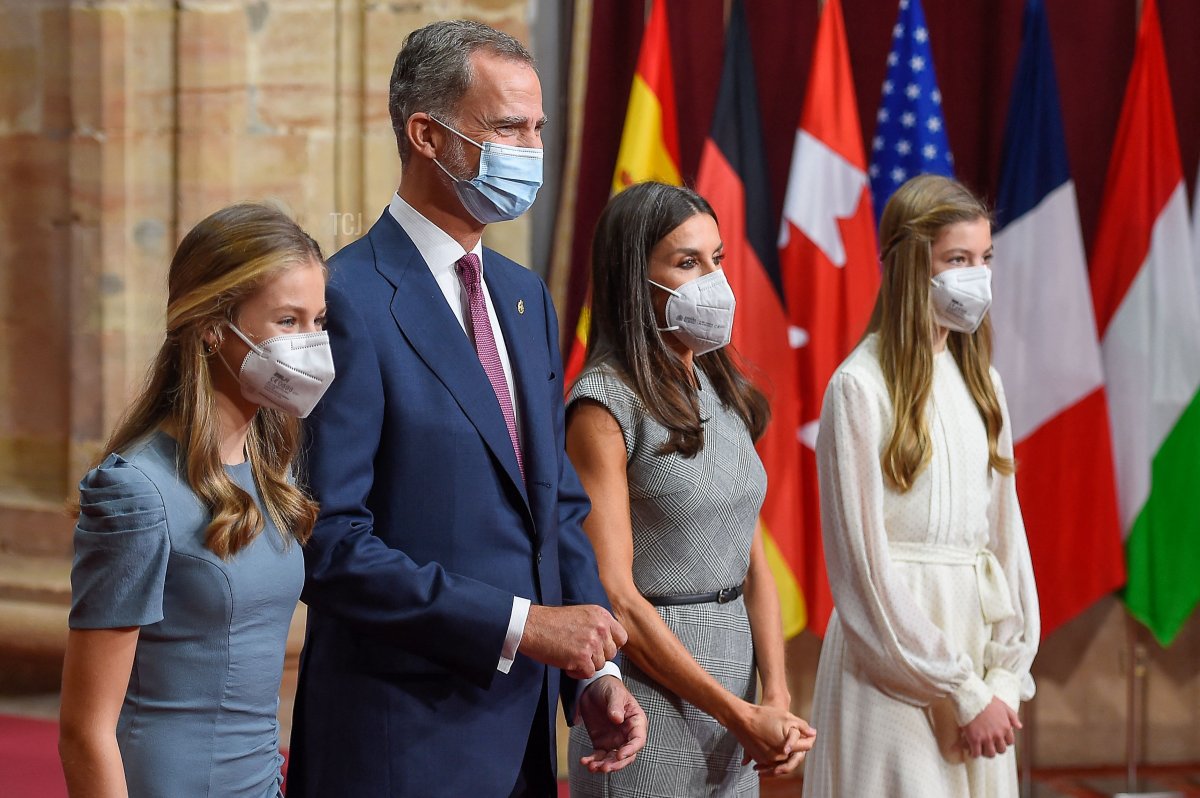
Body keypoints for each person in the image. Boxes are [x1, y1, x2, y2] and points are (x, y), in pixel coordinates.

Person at [286, 19, 646, 798]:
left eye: (539, 128)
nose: (531, 150)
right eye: (508, 127)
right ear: (427, 134)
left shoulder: (524, 298)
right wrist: (524, 626)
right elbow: (333, 544)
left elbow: (556, 509)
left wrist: (594, 673)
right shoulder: (346, 299)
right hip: (401, 738)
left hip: (522, 737)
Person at [57, 203, 333, 798]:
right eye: (287, 321)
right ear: (212, 325)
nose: (310, 343)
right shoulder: (135, 491)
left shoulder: (270, 469)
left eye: (318, 320)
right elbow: (85, 730)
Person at [565, 182, 816, 796]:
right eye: (687, 262)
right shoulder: (602, 404)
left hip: (740, 688)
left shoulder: (720, 386)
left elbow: (750, 556)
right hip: (649, 702)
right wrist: (740, 713)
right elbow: (617, 596)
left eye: (718, 260)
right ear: (633, 279)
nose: (714, 281)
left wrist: (774, 698)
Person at [801, 174, 1040, 797]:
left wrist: (1003, 682)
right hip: (893, 673)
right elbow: (865, 573)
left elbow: (1006, 544)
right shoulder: (859, 388)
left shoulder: (982, 382)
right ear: (912, 266)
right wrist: (957, 692)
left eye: (984, 259)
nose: (977, 277)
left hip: (980, 676)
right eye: (958, 260)